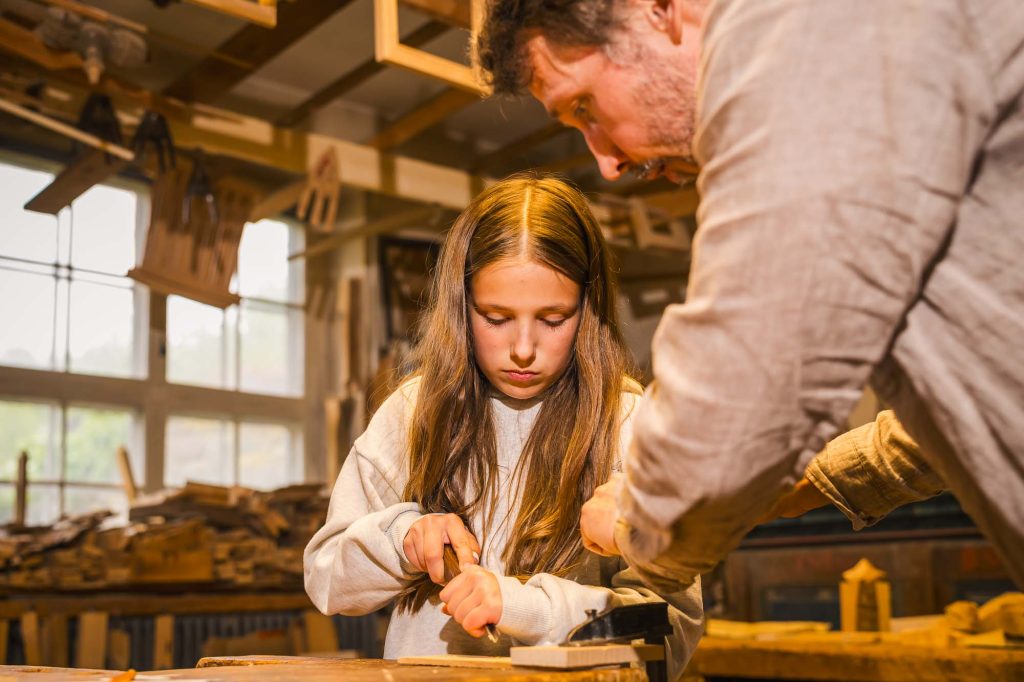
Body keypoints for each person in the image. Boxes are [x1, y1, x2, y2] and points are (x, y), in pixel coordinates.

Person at [476, 0, 1024, 591]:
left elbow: (743, 386)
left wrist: (643, 520)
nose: (606, 163)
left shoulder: (802, 33)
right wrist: (786, 491)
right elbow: (948, 421)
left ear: (656, 10)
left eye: (585, 107)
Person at [303, 174, 703, 675]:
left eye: (554, 319)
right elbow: (325, 577)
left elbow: (673, 625)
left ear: (590, 305)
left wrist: (522, 608)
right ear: (460, 303)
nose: (522, 349)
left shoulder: (630, 424)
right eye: (495, 317)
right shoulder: (413, 413)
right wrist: (402, 537)